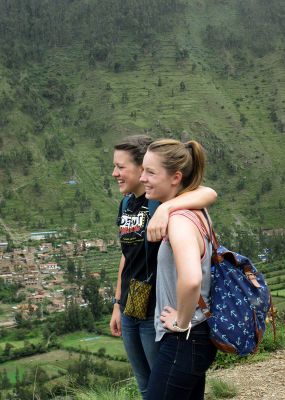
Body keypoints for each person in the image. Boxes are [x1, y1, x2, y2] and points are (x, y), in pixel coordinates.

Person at [110, 135, 217, 399]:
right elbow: (128, 253)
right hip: (133, 304)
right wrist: (117, 302)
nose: (115, 173)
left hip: (163, 314)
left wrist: (166, 207)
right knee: (154, 385)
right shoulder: (128, 204)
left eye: (122, 167)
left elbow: (209, 193)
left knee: (159, 388)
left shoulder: (167, 206)